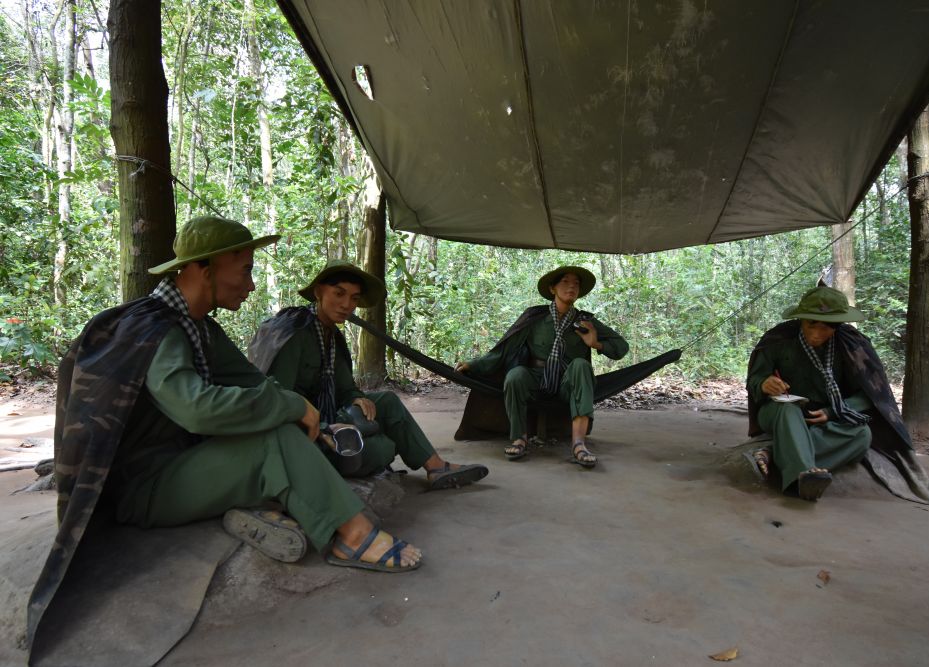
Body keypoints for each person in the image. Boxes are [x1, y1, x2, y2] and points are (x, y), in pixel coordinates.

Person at [33, 216, 423, 612]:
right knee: (276, 439)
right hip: (143, 489)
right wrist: (289, 406)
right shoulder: (157, 329)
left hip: (185, 464)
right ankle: (352, 536)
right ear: (206, 268)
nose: (251, 285)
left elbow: (255, 383)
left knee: (292, 433)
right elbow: (198, 411)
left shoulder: (200, 329)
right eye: (246, 270)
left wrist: (308, 418)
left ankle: (270, 509)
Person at [247, 259, 488, 490]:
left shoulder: (333, 336)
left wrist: (355, 397)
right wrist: (325, 426)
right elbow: (279, 398)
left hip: (332, 415)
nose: (347, 305)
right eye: (339, 294)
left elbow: (344, 386)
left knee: (388, 403)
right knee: (383, 448)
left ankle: (436, 468)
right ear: (319, 292)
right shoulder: (296, 331)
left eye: (354, 298)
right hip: (303, 431)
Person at [746, 286, 926, 502]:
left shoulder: (852, 345)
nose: (816, 334)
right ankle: (799, 481)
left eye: (826, 328)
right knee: (788, 409)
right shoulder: (778, 339)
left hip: (825, 415)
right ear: (800, 319)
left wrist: (831, 412)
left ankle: (775, 454)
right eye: (811, 324)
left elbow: (872, 394)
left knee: (862, 435)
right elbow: (754, 381)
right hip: (780, 412)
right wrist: (765, 384)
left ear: (837, 326)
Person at [456, 266, 628, 467]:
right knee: (515, 375)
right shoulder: (534, 318)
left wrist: (595, 343)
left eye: (576, 283)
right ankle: (519, 439)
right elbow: (503, 350)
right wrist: (473, 364)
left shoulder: (585, 322)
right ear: (552, 288)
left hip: (568, 383)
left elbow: (621, 347)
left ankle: (579, 444)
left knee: (581, 365)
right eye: (565, 281)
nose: (571, 286)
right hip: (535, 379)